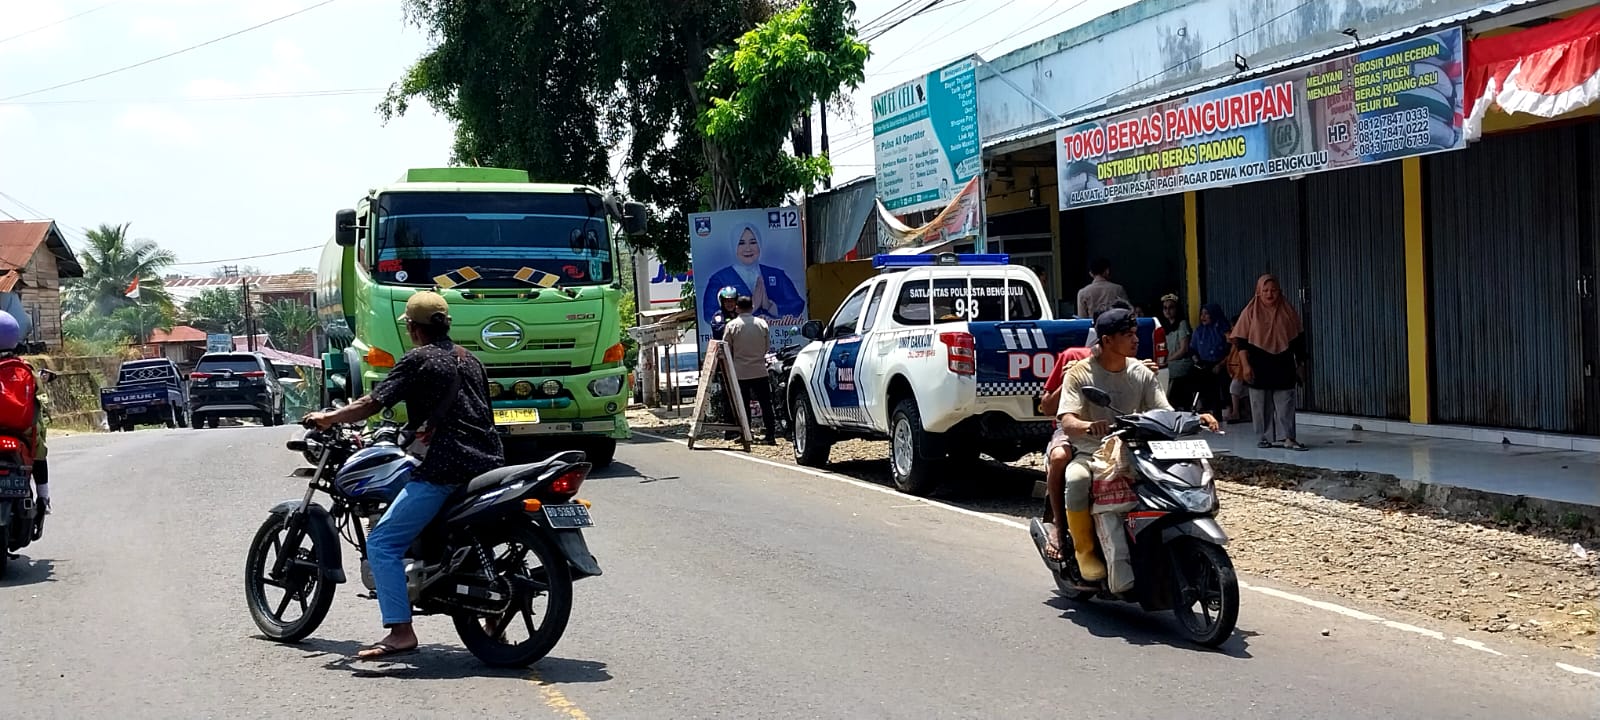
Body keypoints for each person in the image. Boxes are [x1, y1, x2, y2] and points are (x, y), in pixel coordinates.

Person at [301, 291, 504, 660]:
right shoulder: (469, 359)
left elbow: (374, 402)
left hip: (445, 466)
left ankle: (400, 631)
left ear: (412, 327)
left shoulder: (419, 359)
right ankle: (490, 620)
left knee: (382, 543)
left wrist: (327, 418)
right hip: (487, 461)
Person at [1047, 308, 1219, 578]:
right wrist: (1089, 425)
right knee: (1077, 478)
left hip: (1138, 450)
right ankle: (1085, 551)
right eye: (1127, 335)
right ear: (1106, 341)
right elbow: (1067, 420)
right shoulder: (1079, 374)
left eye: (1135, 333)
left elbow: (1164, 411)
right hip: (1093, 450)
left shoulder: (1141, 372)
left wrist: (1196, 418)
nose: (1135, 340)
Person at [1230, 274, 1308, 451]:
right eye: (1265, 290)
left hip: (1283, 362)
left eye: (1273, 290)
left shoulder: (1288, 312)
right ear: (1259, 292)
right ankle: (1264, 437)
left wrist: (1301, 365)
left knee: (1286, 402)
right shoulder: (1250, 312)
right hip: (1258, 363)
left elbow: (1298, 340)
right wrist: (1246, 366)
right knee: (1259, 403)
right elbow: (1241, 341)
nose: (1269, 294)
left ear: (1279, 291)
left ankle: (1288, 437)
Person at [700, 223, 805, 327]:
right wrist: (749, 309)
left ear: (760, 245)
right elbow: (709, 315)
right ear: (733, 246)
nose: (748, 248)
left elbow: (797, 305)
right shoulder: (719, 279)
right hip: (738, 340)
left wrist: (770, 306)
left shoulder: (776, 274)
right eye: (741, 243)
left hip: (773, 338)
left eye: (753, 242)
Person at [0, 310, 47, 530]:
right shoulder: (24, 368)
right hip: (20, 430)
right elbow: (39, 395)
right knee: (39, 449)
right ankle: (44, 497)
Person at [722, 296, 777, 444]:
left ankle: (746, 434)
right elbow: (766, 347)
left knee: (743, 404)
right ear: (752, 308)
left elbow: (726, 348)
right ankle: (771, 435)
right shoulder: (762, 324)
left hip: (740, 372)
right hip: (760, 370)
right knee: (766, 404)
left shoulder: (732, 326)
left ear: (737, 308)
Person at [1190, 303, 1232, 414]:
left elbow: (1232, 350)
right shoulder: (1199, 331)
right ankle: (1201, 406)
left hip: (1223, 363)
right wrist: (1197, 362)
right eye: (1201, 314)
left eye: (1206, 314)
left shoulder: (1223, 329)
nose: (1203, 317)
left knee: (1222, 379)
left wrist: (1221, 364)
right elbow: (1192, 350)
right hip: (1204, 364)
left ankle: (1228, 409)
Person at [1159, 294, 1196, 409]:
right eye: (1165, 308)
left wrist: (1167, 360)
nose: (1168, 311)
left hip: (1181, 362)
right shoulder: (1163, 327)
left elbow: (1183, 349)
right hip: (1169, 362)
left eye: (1171, 307)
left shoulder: (1182, 324)